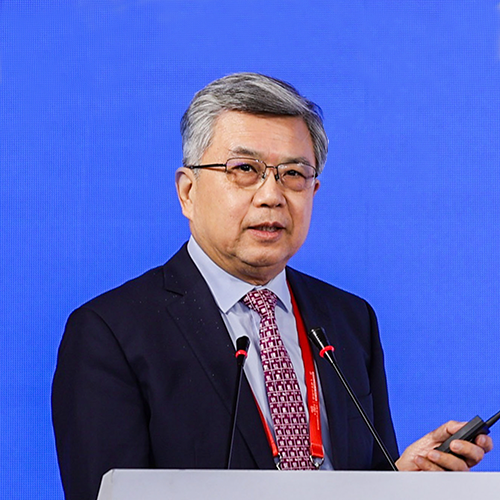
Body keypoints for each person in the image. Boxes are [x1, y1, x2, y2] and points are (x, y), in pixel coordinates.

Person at [52, 73, 493, 500]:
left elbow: (357, 482)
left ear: (314, 190)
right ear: (188, 192)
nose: (271, 195)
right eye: (245, 169)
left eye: (293, 174)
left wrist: (401, 482)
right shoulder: (110, 332)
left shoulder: (350, 319)